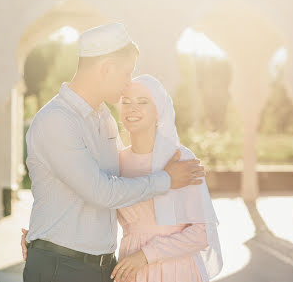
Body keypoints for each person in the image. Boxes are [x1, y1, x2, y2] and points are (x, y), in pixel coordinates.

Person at [21, 22, 205, 282]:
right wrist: (168, 179)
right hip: (62, 268)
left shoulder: (104, 118)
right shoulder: (57, 120)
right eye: (127, 73)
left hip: (102, 267)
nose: (128, 83)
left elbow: (127, 177)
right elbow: (101, 191)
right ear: (106, 69)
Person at [110, 74, 222, 282]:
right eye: (126, 102)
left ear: (158, 111)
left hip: (176, 269)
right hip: (131, 271)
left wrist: (145, 256)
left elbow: (203, 233)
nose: (131, 108)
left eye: (142, 102)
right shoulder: (115, 162)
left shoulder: (180, 158)